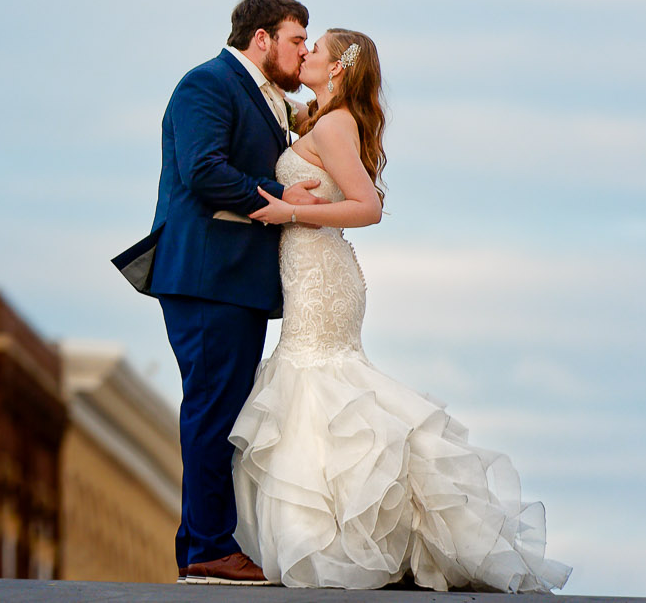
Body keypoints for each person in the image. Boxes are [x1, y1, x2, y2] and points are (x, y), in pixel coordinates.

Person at [232, 29, 569, 591]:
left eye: (314, 49)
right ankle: (333, 533)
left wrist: (290, 215)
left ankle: (335, 540)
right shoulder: (321, 118)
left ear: (338, 67)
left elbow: (367, 208)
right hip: (310, 269)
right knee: (314, 389)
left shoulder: (336, 124)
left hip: (322, 274)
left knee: (317, 386)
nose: (305, 53)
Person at [141, 0, 324, 584]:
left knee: (223, 410)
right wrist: (279, 198)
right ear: (262, 38)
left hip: (234, 282)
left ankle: (203, 544)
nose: (302, 52)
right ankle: (210, 548)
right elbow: (202, 169)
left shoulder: (267, 98)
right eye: (297, 39)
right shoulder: (208, 83)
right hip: (205, 277)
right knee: (213, 411)